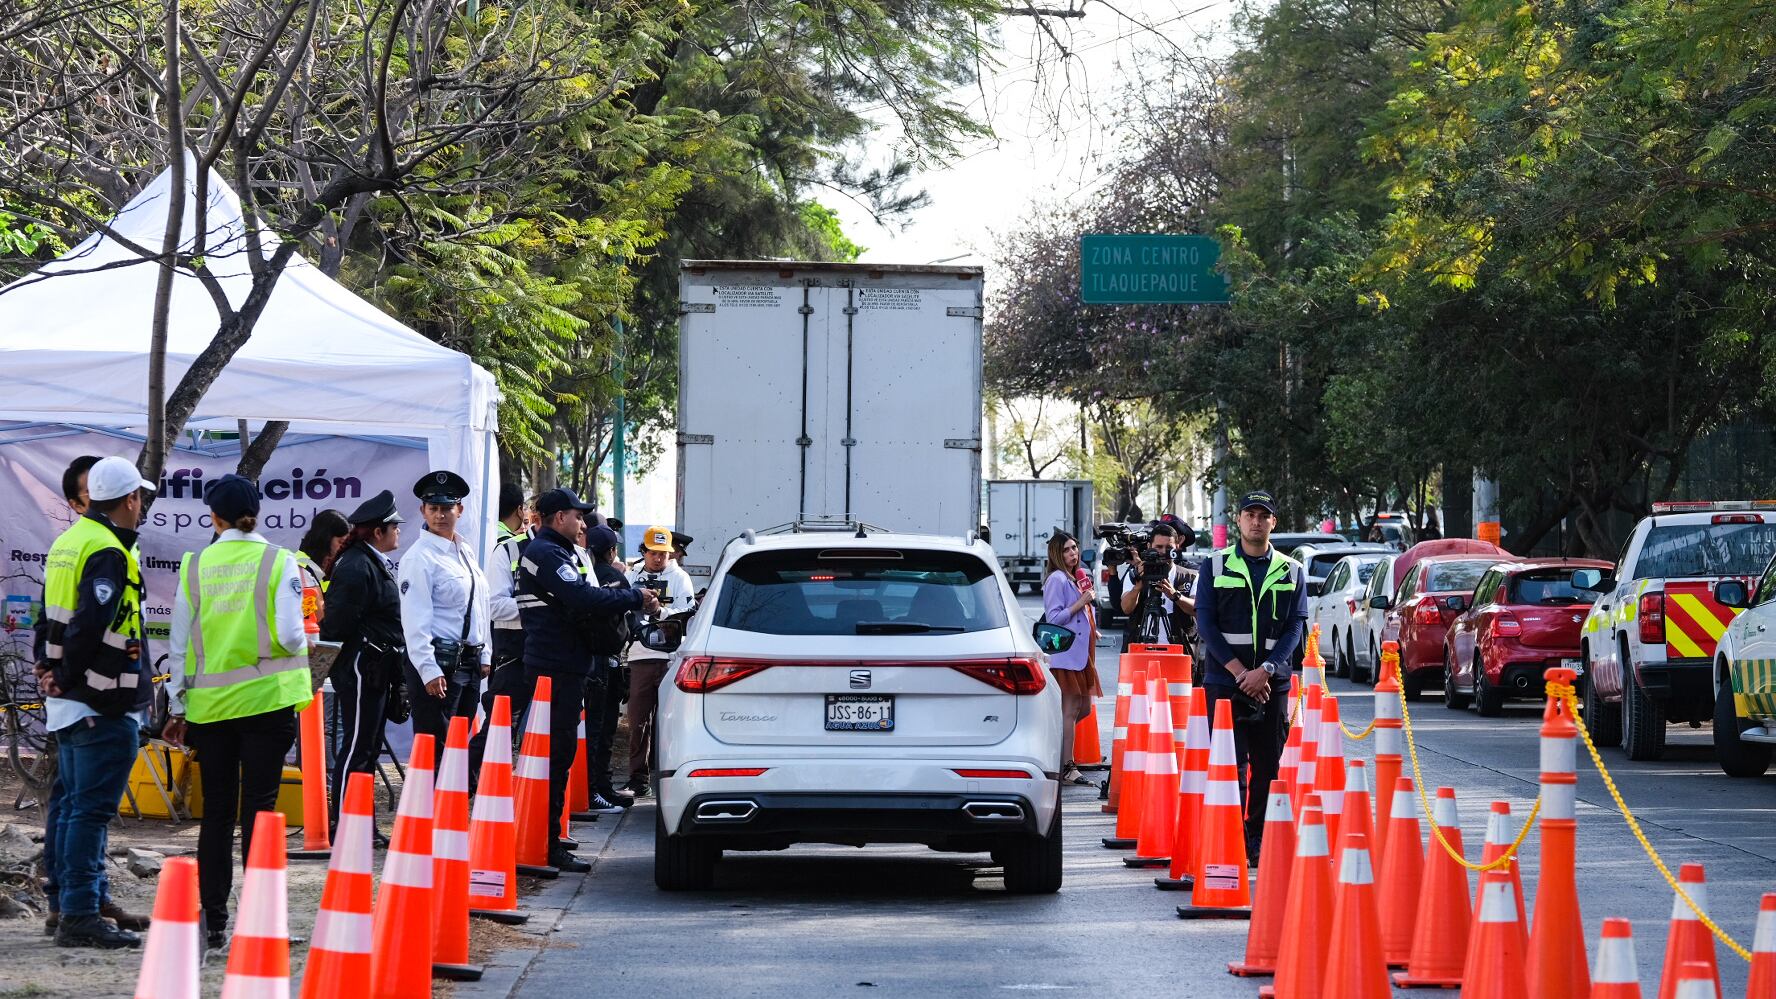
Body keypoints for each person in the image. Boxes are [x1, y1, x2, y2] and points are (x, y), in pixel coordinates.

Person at [162, 475, 314, 949]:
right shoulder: (279, 561)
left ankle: (214, 921)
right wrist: (310, 642)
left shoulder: (194, 566)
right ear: (257, 514)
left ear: (214, 518)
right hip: (268, 705)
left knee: (217, 814)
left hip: (211, 710)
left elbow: (180, 644)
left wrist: (177, 706)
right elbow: (292, 636)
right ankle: (261, 921)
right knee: (261, 812)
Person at [37, 456, 154, 949]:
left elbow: (49, 615)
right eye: (140, 497)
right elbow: (89, 622)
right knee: (87, 810)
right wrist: (63, 675)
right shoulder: (106, 549)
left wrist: (48, 670)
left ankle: (70, 903)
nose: (142, 505)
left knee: (69, 806)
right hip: (99, 700)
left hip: (72, 701)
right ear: (129, 499)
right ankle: (81, 913)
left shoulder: (68, 541)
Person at [515, 488, 654, 871]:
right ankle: (545, 844)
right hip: (554, 666)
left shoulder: (557, 552)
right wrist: (633, 597)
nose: (582, 524)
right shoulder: (546, 553)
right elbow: (583, 599)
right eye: (578, 516)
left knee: (559, 756)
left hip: (564, 665)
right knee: (555, 757)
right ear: (559, 517)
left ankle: (549, 838)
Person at [1192, 490, 1306, 862]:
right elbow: (1206, 624)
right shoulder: (1214, 565)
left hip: (1272, 683)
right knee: (1230, 763)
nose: (1256, 521)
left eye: (1263, 515)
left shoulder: (1292, 570)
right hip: (1226, 682)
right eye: (1250, 514)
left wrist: (1267, 670)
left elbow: (1294, 629)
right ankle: (1231, 836)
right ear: (1238, 520)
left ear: (1274, 522)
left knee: (1268, 763)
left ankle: (1256, 836)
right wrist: (1242, 672)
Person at [320, 490, 405, 835]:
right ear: (378, 532)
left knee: (367, 748)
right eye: (394, 527)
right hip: (361, 666)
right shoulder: (357, 565)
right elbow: (338, 623)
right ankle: (345, 823)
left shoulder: (367, 562)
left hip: (374, 666)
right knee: (357, 745)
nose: (399, 531)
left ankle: (360, 824)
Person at [398, 471, 492, 769]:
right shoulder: (420, 557)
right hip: (439, 662)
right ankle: (431, 813)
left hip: (469, 661)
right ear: (422, 511)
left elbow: (479, 605)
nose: (440, 515)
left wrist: (485, 653)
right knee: (434, 746)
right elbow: (415, 620)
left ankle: (451, 810)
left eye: (446, 508)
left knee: (457, 743)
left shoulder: (463, 551)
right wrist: (428, 669)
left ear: (459, 510)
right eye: (433, 508)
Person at [624, 525, 695, 799]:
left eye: (664, 553)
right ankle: (638, 778)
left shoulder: (680, 578)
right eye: (654, 552)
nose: (659, 558)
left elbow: (686, 613)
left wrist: (659, 610)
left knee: (671, 722)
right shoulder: (632, 575)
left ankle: (669, 777)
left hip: (670, 659)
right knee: (638, 721)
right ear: (644, 551)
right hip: (640, 656)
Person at [471, 481, 532, 776]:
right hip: (506, 639)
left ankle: (485, 775)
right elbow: (495, 603)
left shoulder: (490, 537)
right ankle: (471, 776)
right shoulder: (508, 545)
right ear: (521, 511)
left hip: (500, 639)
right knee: (501, 717)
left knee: (503, 718)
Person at [581, 524, 633, 812]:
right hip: (605, 661)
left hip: (590, 660)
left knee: (597, 729)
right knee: (602, 729)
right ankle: (597, 788)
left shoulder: (585, 572)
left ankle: (600, 786)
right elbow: (627, 612)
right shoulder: (612, 576)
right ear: (611, 551)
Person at [1041, 531, 1098, 786]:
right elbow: (1053, 618)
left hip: (1080, 653)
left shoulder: (1074, 577)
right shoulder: (1056, 579)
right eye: (1066, 550)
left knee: (1081, 708)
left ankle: (1056, 752)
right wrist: (1080, 603)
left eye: (1074, 548)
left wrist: (1090, 620)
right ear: (1056, 553)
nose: (1073, 553)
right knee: (1072, 708)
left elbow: (1080, 614)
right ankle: (1066, 765)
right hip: (1065, 653)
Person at [1117, 521, 1195, 648]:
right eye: (1159, 547)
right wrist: (1138, 586)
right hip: (1142, 652)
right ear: (1149, 546)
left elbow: (1197, 609)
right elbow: (1126, 608)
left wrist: (1175, 595)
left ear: (1177, 547)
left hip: (1178, 652)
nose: (1164, 552)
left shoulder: (1190, 576)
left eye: (1169, 548)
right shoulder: (1135, 574)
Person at [296, 509, 350, 625]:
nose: (343, 549)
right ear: (325, 539)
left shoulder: (320, 564)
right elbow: (316, 618)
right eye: (341, 542)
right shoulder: (302, 568)